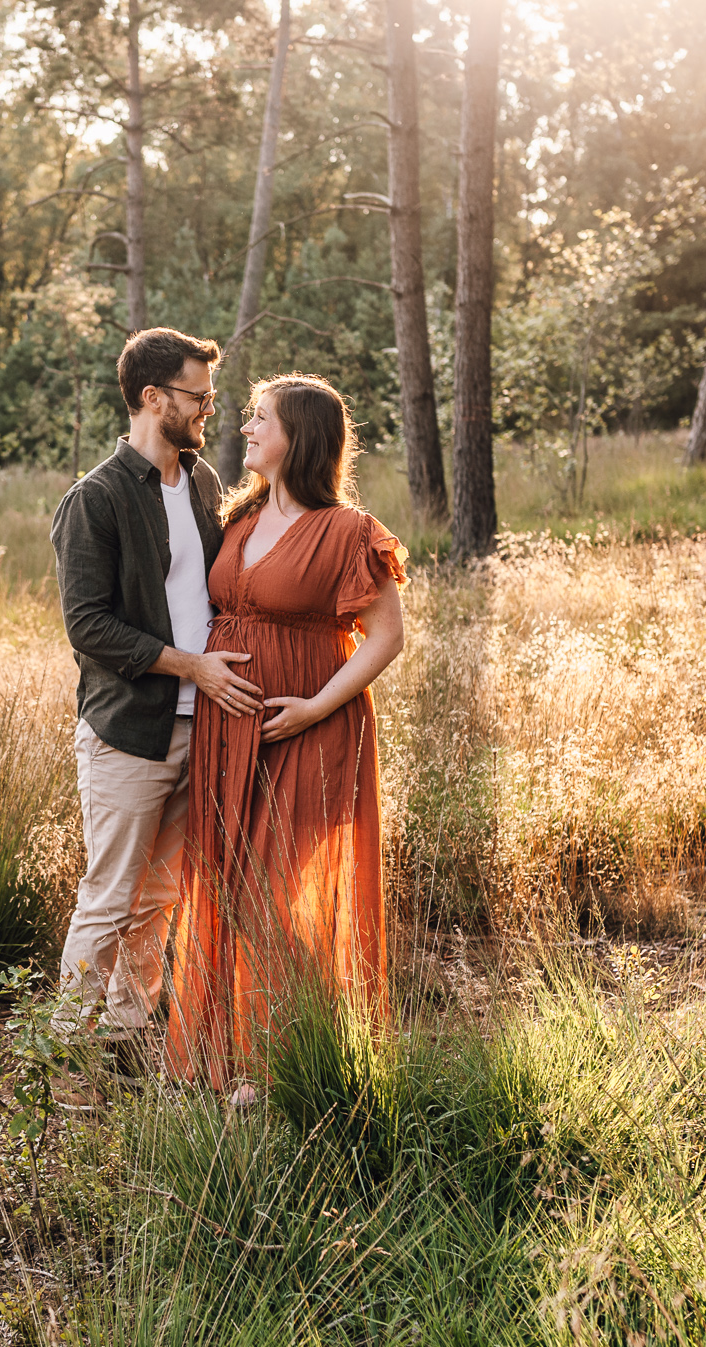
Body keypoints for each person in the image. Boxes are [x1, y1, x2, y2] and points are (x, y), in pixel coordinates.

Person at [166, 374, 408, 1098]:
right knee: (234, 884)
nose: (244, 428)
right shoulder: (238, 516)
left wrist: (314, 706)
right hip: (227, 726)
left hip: (308, 726)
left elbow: (386, 637)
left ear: (298, 434)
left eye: (260, 418)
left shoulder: (348, 530)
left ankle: (286, 1060)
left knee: (281, 886)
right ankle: (239, 1050)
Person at [51, 327, 266, 1043]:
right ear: (151, 397)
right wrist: (191, 666)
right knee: (110, 898)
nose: (209, 407)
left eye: (210, 394)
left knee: (161, 896)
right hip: (128, 732)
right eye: (197, 395)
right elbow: (89, 626)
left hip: (199, 724)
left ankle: (123, 1037)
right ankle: (69, 1059)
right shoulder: (96, 498)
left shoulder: (202, 480)